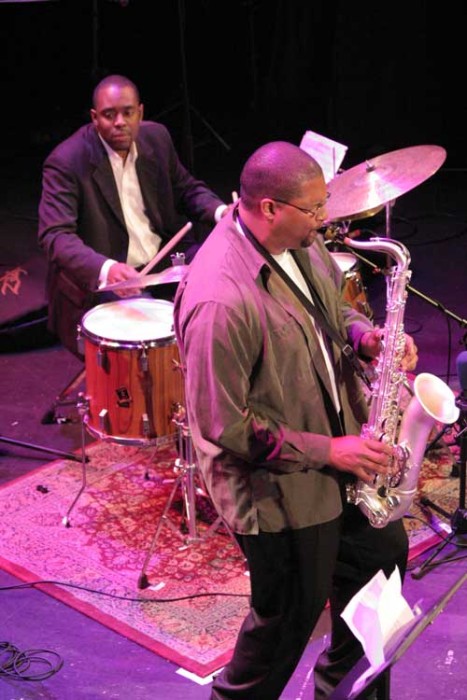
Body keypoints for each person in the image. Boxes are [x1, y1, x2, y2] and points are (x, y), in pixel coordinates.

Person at [173, 141, 418, 699]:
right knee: (285, 627)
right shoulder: (219, 298)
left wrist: (366, 338)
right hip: (278, 492)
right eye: (313, 209)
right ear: (268, 209)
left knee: (382, 571)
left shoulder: (301, 244)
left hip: (342, 460)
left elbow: (335, 307)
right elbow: (223, 424)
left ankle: (344, 691)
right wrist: (330, 451)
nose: (324, 219)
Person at [38, 74, 228, 357]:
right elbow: (55, 235)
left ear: (140, 112)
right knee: (152, 334)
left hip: (161, 263)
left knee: (228, 281)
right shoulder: (66, 161)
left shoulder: (157, 138)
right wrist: (106, 268)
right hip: (111, 280)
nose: (119, 122)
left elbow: (187, 188)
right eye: (108, 115)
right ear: (94, 118)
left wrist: (222, 212)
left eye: (127, 113)